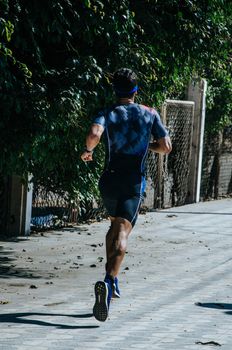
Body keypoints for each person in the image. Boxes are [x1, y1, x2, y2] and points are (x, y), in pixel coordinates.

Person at [81, 68, 172, 322]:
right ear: (135, 90)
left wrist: (88, 151)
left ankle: (114, 280)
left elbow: (94, 135)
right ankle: (109, 281)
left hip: (109, 179)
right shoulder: (149, 113)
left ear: (115, 90)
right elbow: (166, 146)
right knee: (122, 231)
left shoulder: (107, 113)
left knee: (114, 226)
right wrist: (147, 145)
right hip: (134, 180)